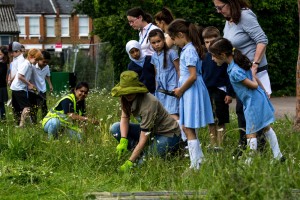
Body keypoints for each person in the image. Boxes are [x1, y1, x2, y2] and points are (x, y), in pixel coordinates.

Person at [208, 37, 284, 162]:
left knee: (251, 132)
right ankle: (278, 156)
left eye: (213, 56)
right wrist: (264, 91)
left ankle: (249, 163)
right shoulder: (238, 62)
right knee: (265, 127)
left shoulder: (235, 71)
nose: (212, 59)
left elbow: (253, 84)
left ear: (222, 54)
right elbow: (254, 79)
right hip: (255, 100)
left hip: (253, 102)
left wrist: (256, 81)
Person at [213, 0, 269, 152]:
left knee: (252, 108)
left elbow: (262, 40)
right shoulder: (229, 20)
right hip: (240, 69)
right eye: (216, 8)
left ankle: (258, 148)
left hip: (253, 70)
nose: (218, 11)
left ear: (230, 3)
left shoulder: (245, 16)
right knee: (242, 109)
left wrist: (255, 64)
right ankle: (245, 144)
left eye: (220, 7)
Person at [110, 71, 181, 172]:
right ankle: (139, 152)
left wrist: (130, 162)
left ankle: (142, 155)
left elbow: (144, 136)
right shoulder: (124, 97)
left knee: (141, 165)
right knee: (115, 128)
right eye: (125, 91)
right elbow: (125, 117)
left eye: (131, 91)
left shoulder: (149, 104)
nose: (128, 94)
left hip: (168, 133)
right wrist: (123, 139)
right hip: (150, 131)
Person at [167, 19, 214, 170]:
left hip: (191, 90)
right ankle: (199, 160)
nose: (174, 42)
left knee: (188, 127)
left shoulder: (189, 51)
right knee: (187, 126)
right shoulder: (188, 49)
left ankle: (195, 165)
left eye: (173, 39)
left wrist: (180, 90)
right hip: (189, 90)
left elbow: (192, 76)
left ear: (181, 35)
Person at [201, 26, 234, 150]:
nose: (209, 45)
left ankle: (221, 144)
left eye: (212, 41)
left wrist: (229, 93)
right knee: (210, 119)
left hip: (220, 90)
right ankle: (213, 143)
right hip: (207, 91)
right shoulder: (204, 57)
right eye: (207, 42)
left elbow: (229, 75)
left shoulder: (222, 57)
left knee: (220, 119)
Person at [149, 29, 179, 119]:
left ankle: (179, 132)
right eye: (153, 43)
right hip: (161, 89)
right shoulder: (154, 56)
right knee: (163, 114)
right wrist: (156, 89)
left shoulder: (171, 53)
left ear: (164, 40)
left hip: (172, 87)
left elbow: (179, 70)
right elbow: (156, 73)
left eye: (158, 41)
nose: (156, 44)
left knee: (173, 113)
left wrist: (179, 86)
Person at [10, 48, 42, 127]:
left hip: (18, 87)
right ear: (31, 57)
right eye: (36, 60)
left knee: (17, 107)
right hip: (19, 88)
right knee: (27, 107)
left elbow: (25, 77)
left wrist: (31, 85)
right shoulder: (26, 64)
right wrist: (29, 84)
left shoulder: (29, 65)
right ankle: (22, 125)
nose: (37, 62)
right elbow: (20, 76)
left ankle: (18, 124)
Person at [29, 50, 53, 124]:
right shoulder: (32, 66)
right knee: (33, 107)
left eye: (47, 62)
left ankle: (44, 121)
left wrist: (50, 84)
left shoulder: (47, 67)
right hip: (33, 90)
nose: (45, 64)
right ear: (38, 59)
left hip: (42, 89)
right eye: (44, 61)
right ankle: (33, 122)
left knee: (44, 107)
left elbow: (47, 76)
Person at [0, 46, 9, 120]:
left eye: (0, 54)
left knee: (1, 104)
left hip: (1, 86)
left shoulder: (3, 64)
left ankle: (3, 118)